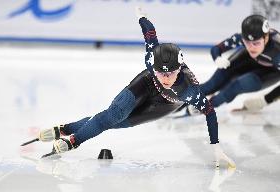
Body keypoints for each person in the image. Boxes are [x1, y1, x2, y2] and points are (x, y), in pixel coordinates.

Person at [23, 7, 235, 168]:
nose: (165, 77)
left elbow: (209, 112)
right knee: (112, 115)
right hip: (145, 85)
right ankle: (72, 140)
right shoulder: (152, 59)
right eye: (161, 72)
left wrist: (215, 146)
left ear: (179, 69)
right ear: (154, 65)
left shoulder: (190, 89)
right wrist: (141, 16)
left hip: (167, 104)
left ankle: (65, 129)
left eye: (170, 73)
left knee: (115, 124)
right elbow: (150, 33)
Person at [193, 15, 280, 111]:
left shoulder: (277, 50)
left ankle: (206, 107)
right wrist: (217, 58)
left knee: (237, 86)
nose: (251, 47)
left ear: (266, 38)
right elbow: (216, 49)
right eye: (247, 42)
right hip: (249, 59)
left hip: (272, 71)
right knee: (212, 85)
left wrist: (265, 100)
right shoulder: (243, 38)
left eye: (256, 43)